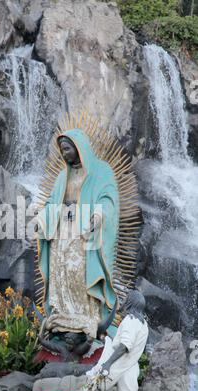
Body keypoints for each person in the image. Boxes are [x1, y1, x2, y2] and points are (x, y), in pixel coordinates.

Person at [33, 290, 190, 391]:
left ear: (130, 302)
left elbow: (124, 347)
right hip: (129, 367)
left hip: (115, 367)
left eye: (125, 299)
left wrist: (107, 364)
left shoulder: (130, 320)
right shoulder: (143, 324)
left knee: (89, 388)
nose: (123, 301)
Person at [37, 129, 119, 350]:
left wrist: (98, 216)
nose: (64, 154)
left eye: (67, 149)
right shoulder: (62, 177)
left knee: (79, 274)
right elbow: (50, 205)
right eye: (62, 150)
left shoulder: (101, 171)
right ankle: (63, 320)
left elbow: (109, 198)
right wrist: (42, 220)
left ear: (79, 147)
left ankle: (86, 318)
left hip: (85, 233)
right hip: (62, 233)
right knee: (61, 273)